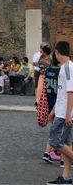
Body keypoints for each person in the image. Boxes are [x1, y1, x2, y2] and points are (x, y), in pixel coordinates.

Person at [46, 41, 73, 185]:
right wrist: (53, 110)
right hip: (61, 110)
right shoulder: (64, 68)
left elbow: (70, 92)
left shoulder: (68, 67)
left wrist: (68, 114)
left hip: (65, 114)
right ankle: (66, 177)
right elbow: (63, 93)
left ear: (57, 52)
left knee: (55, 141)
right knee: (66, 143)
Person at [43, 53, 63, 165]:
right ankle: (62, 157)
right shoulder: (62, 72)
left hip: (50, 102)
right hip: (59, 103)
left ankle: (50, 152)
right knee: (62, 131)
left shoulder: (47, 71)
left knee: (55, 129)